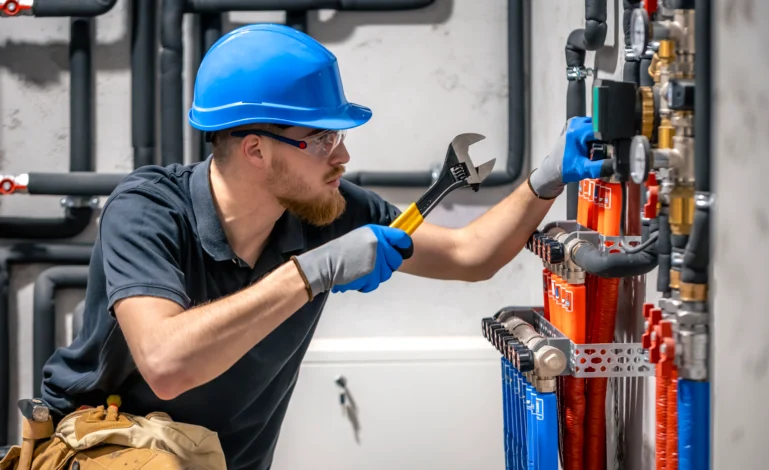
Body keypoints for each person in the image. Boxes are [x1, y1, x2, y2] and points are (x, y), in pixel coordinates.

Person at [37, 24, 602, 470]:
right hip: (102, 455)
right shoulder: (148, 210)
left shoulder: (327, 209)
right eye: (322, 138)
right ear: (256, 150)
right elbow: (166, 363)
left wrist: (543, 181)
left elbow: (469, 255)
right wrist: (310, 273)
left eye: (341, 136)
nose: (342, 156)